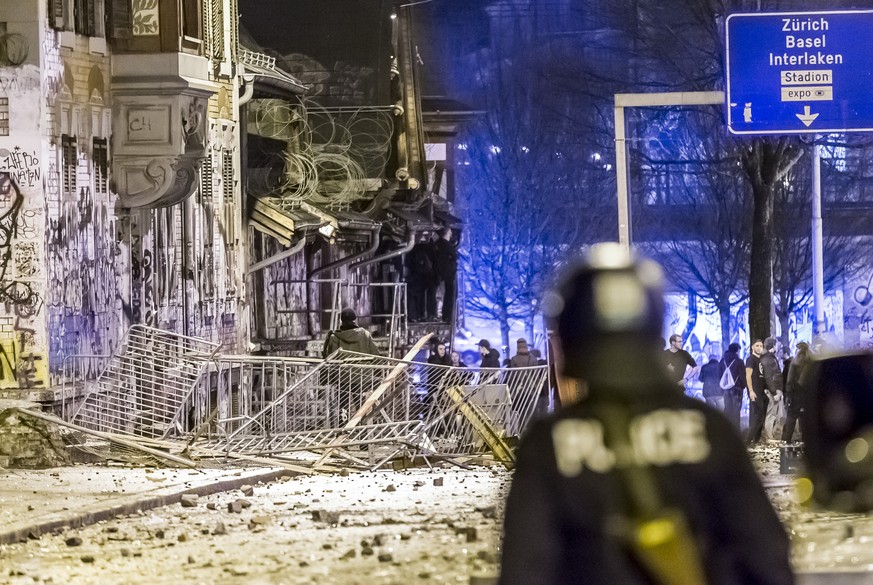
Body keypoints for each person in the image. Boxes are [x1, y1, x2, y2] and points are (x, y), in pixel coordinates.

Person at [499, 243, 793, 585]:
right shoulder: (709, 431)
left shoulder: (550, 445)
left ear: (571, 334)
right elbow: (766, 557)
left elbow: (525, 568)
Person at [782, 341, 811, 443]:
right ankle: (806, 440)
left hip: (796, 393)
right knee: (806, 418)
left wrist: (788, 394)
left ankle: (787, 439)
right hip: (808, 394)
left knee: (791, 416)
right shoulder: (811, 362)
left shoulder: (794, 362)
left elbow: (789, 380)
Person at [406, 234, 438, 322]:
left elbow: (408, 263)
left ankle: (416, 315)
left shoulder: (413, 248)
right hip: (429, 276)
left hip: (416, 276)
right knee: (430, 296)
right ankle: (429, 315)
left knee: (416, 296)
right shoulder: (431, 248)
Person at [761, 337, 785, 441]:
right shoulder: (767, 359)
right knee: (771, 414)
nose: (778, 346)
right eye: (776, 344)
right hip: (773, 391)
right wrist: (774, 392)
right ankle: (769, 436)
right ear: (772, 346)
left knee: (777, 414)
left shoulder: (770, 358)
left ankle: (773, 435)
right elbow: (769, 377)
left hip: (775, 390)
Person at [434, 227, 458, 323]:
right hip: (447, 275)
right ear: (447, 232)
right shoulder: (446, 246)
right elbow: (454, 257)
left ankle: (440, 314)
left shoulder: (437, 244)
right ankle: (446, 316)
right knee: (448, 296)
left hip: (440, 274)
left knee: (436, 295)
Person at [745, 338, 767, 445]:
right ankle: (748, 441)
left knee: (761, 417)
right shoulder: (751, 359)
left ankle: (756, 440)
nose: (759, 348)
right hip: (755, 392)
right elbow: (748, 375)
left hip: (762, 392)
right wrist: (751, 391)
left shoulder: (760, 360)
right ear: (752, 347)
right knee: (758, 417)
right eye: (757, 345)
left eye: (761, 346)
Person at [719, 343, 746, 429]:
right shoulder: (739, 362)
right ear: (737, 351)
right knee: (736, 410)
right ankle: (736, 430)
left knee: (727, 409)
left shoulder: (722, 361)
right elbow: (742, 376)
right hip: (737, 388)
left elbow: (719, 375)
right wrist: (744, 386)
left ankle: (726, 429)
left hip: (725, 389)